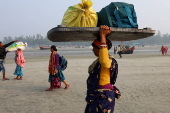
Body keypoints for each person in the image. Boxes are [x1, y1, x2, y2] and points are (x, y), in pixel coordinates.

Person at [85, 25, 120, 113]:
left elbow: (104, 62)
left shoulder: (108, 60)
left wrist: (103, 35)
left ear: (101, 49)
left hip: (103, 96)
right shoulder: (97, 61)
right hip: (95, 95)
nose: (93, 50)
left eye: (95, 48)